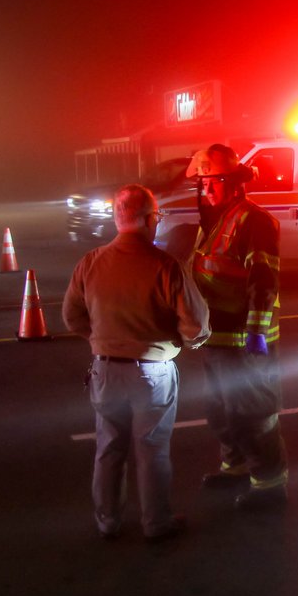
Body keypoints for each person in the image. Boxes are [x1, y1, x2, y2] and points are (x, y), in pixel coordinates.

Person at [63, 184, 210, 541]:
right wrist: (179, 343)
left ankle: (107, 520)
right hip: (153, 372)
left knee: (109, 447)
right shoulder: (166, 266)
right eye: (156, 216)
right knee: (152, 450)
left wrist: (103, 340)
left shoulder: (91, 262)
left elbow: (72, 318)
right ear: (148, 219)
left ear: (118, 218)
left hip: (105, 369)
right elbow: (197, 326)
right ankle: (155, 523)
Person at [191, 143, 289, 510]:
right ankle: (233, 467)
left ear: (231, 181)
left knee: (255, 414)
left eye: (211, 181)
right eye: (202, 183)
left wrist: (257, 335)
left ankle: (270, 484)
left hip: (245, 342)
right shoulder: (217, 219)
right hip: (215, 340)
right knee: (221, 411)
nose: (205, 189)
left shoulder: (255, 221)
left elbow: (263, 282)